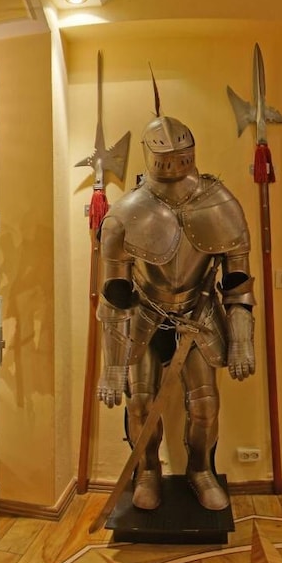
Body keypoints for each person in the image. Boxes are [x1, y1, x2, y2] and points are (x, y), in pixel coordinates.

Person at [96, 102, 256, 512]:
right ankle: (147, 470)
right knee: (139, 404)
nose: (175, 165)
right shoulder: (124, 214)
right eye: (167, 159)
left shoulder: (221, 202)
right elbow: (115, 295)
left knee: (205, 406)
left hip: (199, 315)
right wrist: (112, 368)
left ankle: (200, 470)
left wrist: (242, 342)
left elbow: (237, 284)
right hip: (146, 316)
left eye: (181, 157)